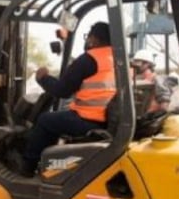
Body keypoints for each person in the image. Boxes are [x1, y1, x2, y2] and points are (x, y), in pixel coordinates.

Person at [18, 21, 116, 177]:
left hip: (88, 119)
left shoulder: (89, 59)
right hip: (108, 119)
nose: (88, 40)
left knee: (45, 120)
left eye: (89, 37)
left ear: (95, 39)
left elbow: (61, 90)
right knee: (59, 116)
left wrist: (43, 78)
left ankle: (27, 168)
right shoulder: (119, 59)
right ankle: (49, 163)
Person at [129, 49, 171, 113]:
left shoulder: (156, 78)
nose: (135, 65)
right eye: (135, 62)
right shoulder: (137, 79)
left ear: (147, 64)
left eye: (138, 62)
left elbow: (164, 102)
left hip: (151, 116)